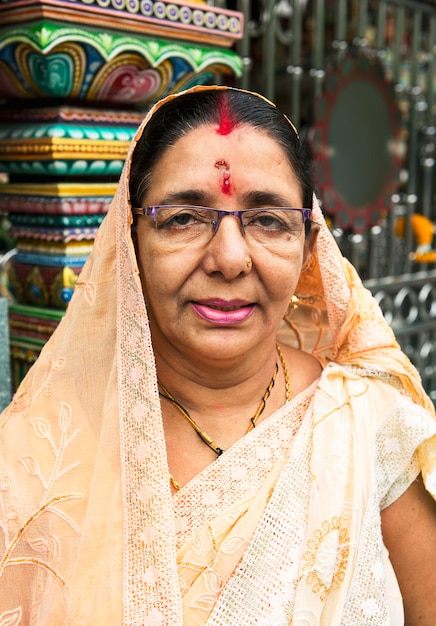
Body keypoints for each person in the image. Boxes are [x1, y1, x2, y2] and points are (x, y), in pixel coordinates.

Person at [0, 85, 435, 625]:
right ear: (130, 239)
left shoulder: (366, 424)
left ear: (307, 245)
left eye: (269, 220)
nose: (229, 259)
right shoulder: (35, 454)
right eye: (183, 218)